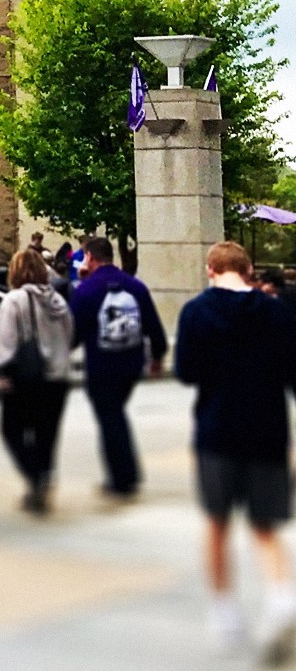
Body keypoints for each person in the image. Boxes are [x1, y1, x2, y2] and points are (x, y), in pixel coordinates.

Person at [175, 242, 296, 662]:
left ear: (211, 270)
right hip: (267, 430)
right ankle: (281, 598)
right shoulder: (277, 312)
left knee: (217, 524)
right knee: (265, 527)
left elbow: (186, 372)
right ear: (247, 271)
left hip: (217, 430)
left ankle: (225, 612)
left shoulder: (195, 312)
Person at [70, 236, 167, 500]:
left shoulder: (87, 290)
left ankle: (123, 477)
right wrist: (157, 356)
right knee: (115, 413)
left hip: (102, 364)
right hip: (131, 362)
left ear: (89, 256)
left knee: (110, 417)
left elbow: (73, 332)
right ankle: (123, 473)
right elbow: (153, 325)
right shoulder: (135, 286)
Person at [0, 250, 74, 515]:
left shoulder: (14, 300)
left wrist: (2, 371)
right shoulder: (57, 300)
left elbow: (4, 340)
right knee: (46, 435)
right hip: (57, 378)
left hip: (25, 377)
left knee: (11, 430)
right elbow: (69, 335)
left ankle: (34, 477)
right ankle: (44, 477)